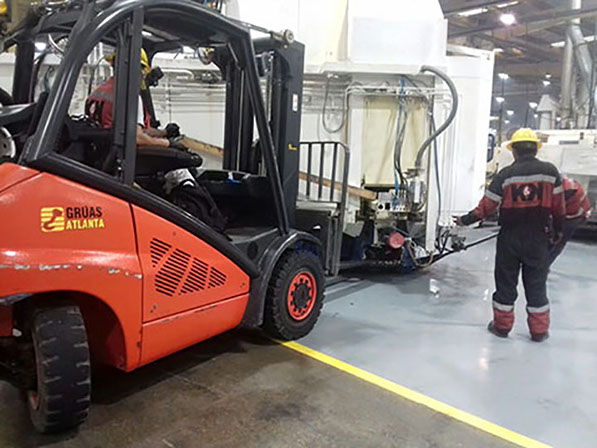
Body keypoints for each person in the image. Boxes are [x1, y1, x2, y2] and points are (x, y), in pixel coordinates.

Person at [455, 128, 565, 342]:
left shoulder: (505, 175)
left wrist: (464, 220)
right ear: (536, 149)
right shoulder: (550, 172)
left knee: (505, 282)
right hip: (537, 238)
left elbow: (486, 207)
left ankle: (502, 327)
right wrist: (558, 231)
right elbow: (559, 208)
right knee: (536, 285)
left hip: (510, 238)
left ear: (514, 150)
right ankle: (539, 331)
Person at [85, 49, 181, 148]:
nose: (143, 76)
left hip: (98, 151)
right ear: (135, 69)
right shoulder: (130, 97)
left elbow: (136, 130)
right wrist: (168, 143)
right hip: (119, 152)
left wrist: (164, 132)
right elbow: (137, 137)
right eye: (142, 70)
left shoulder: (96, 93)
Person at [548, 176, 591, 265]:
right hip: (572, 212)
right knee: (551, 240)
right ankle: (542, 265)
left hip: (573, 216)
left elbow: (558, 208)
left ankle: (544, 265)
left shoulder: (567, 189)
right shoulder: (561, 183)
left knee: (558, 241)